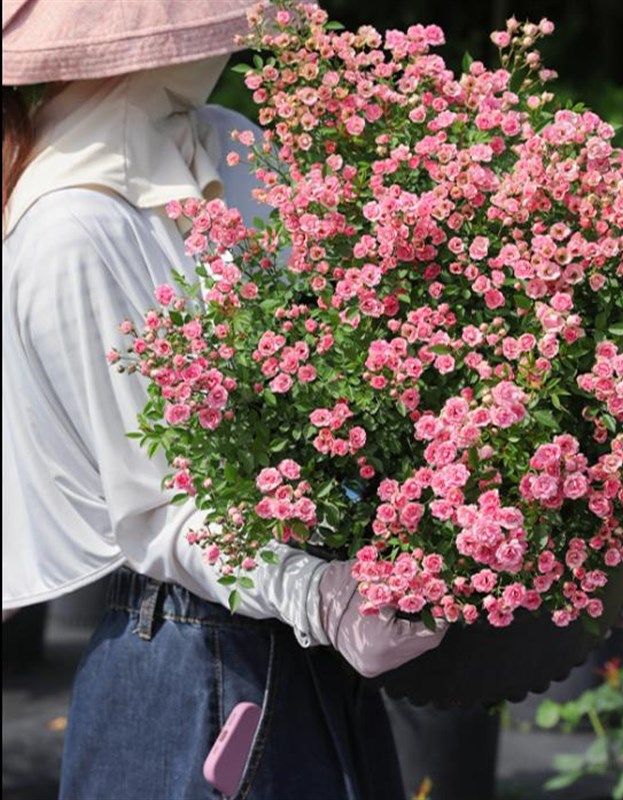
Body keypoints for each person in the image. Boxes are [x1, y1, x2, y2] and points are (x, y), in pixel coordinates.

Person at [1, 2, 445, 798]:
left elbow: (329, 361)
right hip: (189, 659)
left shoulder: (225, 143)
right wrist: (319, 594)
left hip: (302, 646)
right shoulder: (73, 224)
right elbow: (157, 508)